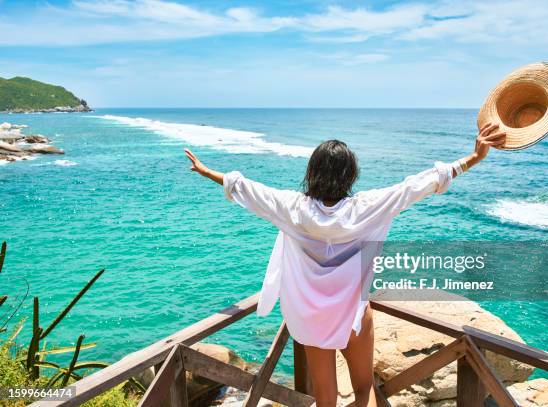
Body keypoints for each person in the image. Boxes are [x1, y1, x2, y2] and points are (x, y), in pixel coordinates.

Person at [185, 122, 506, 407]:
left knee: (325, 400)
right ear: (350, 175)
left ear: (312, 172)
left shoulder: (292, 207)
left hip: (312, 319)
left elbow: (245, 188)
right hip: (352, 314)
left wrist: (206, 171)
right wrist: (473, 159)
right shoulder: (366, 208)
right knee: (364, 388)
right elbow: (418, 185)